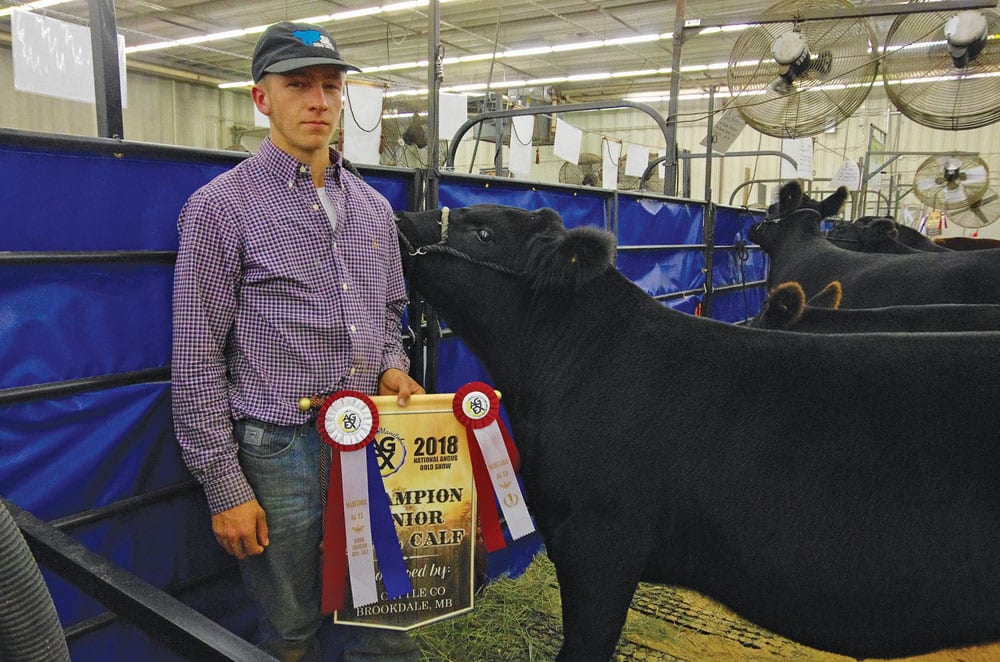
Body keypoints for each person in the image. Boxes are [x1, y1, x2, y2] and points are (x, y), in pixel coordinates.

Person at [171, 21, 425, 662]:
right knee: (290, 630)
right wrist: (225, 485)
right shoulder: (220, 207)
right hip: (277, 447)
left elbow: (386, 315)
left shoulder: (372, 210)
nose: (319, 101)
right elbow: (198, 353)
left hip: (372, 441)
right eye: (299, 85)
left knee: (384, 615)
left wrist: (392, 370)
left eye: (331, 86)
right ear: (262, 99)